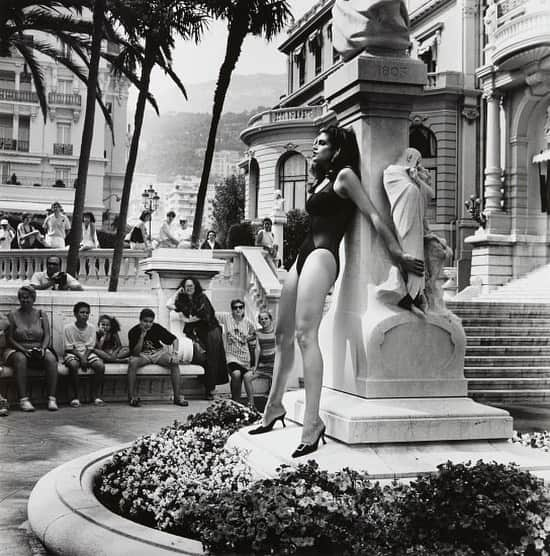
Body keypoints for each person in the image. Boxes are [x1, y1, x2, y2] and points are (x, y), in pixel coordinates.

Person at [249, 125, 425, 458]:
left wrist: (398, 254)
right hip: (303, 255)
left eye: (322, 143)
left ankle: (312, 423)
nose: (314, 147)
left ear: (338, 149)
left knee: (305, 336)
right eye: (315, 142)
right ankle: (273, 408)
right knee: (282, 335)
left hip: (323, 255)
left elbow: (373, 214)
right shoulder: (324, 179)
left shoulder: (346, 176)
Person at [168, 277, 228, 400]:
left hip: (211, 331)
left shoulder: (202, 298)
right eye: (186, 286)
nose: (189, 288)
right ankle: (207, 387)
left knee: (212, 359)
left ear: (195, 287)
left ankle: (210, 391)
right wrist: (178, 291)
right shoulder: (183, 301)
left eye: (191, 286)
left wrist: (188, 320)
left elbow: (205, 315)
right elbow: (168, 304)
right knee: (202, 357)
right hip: (198, 333)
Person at [4, 286, 59, 412]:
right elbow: (10, 339)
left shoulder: (41, 314)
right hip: (17, 348)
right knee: (21, 359)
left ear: (33, 299)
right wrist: (23, 349)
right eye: (22, 298)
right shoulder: (13, 315)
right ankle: (24, 400)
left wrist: (44, 349)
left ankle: (51, 398)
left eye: (27, 297)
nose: (25, 300)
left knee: (50, 359)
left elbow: (47, 335)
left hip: (38, 347)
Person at [127, 308, 188, 408]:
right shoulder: (133, 332)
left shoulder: (156, 328)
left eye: (150, 322)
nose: (148, 324)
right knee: (133, 362)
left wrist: (175, 354)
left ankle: (177, 398)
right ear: (140, 320)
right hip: (143, 354)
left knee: (174, 363)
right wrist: (142, 336)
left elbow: (174, 340)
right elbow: (135, 353)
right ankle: (131, 398)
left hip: (158, 353)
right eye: (145, 321)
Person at [63, 301, 106, 407]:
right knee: (73, 365)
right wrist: (81, 358)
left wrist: (84, 357)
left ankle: (95, 395)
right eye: (82, 312)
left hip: (87, 353)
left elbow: (90, 347)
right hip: (73, 353)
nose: (85, 315)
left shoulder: (91, 328)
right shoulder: (68, 328)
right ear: (75, 314)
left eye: (87, 313)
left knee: (100, 366)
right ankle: (76, 396)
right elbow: (68, 348)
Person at [217, 299, 256, 408]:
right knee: (236, 374)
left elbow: (255, 334)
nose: (238, 309)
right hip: (231, 356)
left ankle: (237, 404)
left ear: (244, 309)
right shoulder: (226, 317)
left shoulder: (248, 323)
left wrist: (248, 338)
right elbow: (210, 314)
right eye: (235, 307)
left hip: (244, 357)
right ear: (232, 309)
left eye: (240, 307)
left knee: (241, 376)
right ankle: (235, 402)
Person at [254, 310, 276, 389]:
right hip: (263, 364)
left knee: (275, 383)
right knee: (247, 377)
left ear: (271, 320)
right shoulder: (258, 332)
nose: (264, 321)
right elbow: (257, 349)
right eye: (261, 319)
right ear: (259, 321)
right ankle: (251, 401)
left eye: (266, 318)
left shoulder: (276, 332)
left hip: (274, 364)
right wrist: (255, 366)